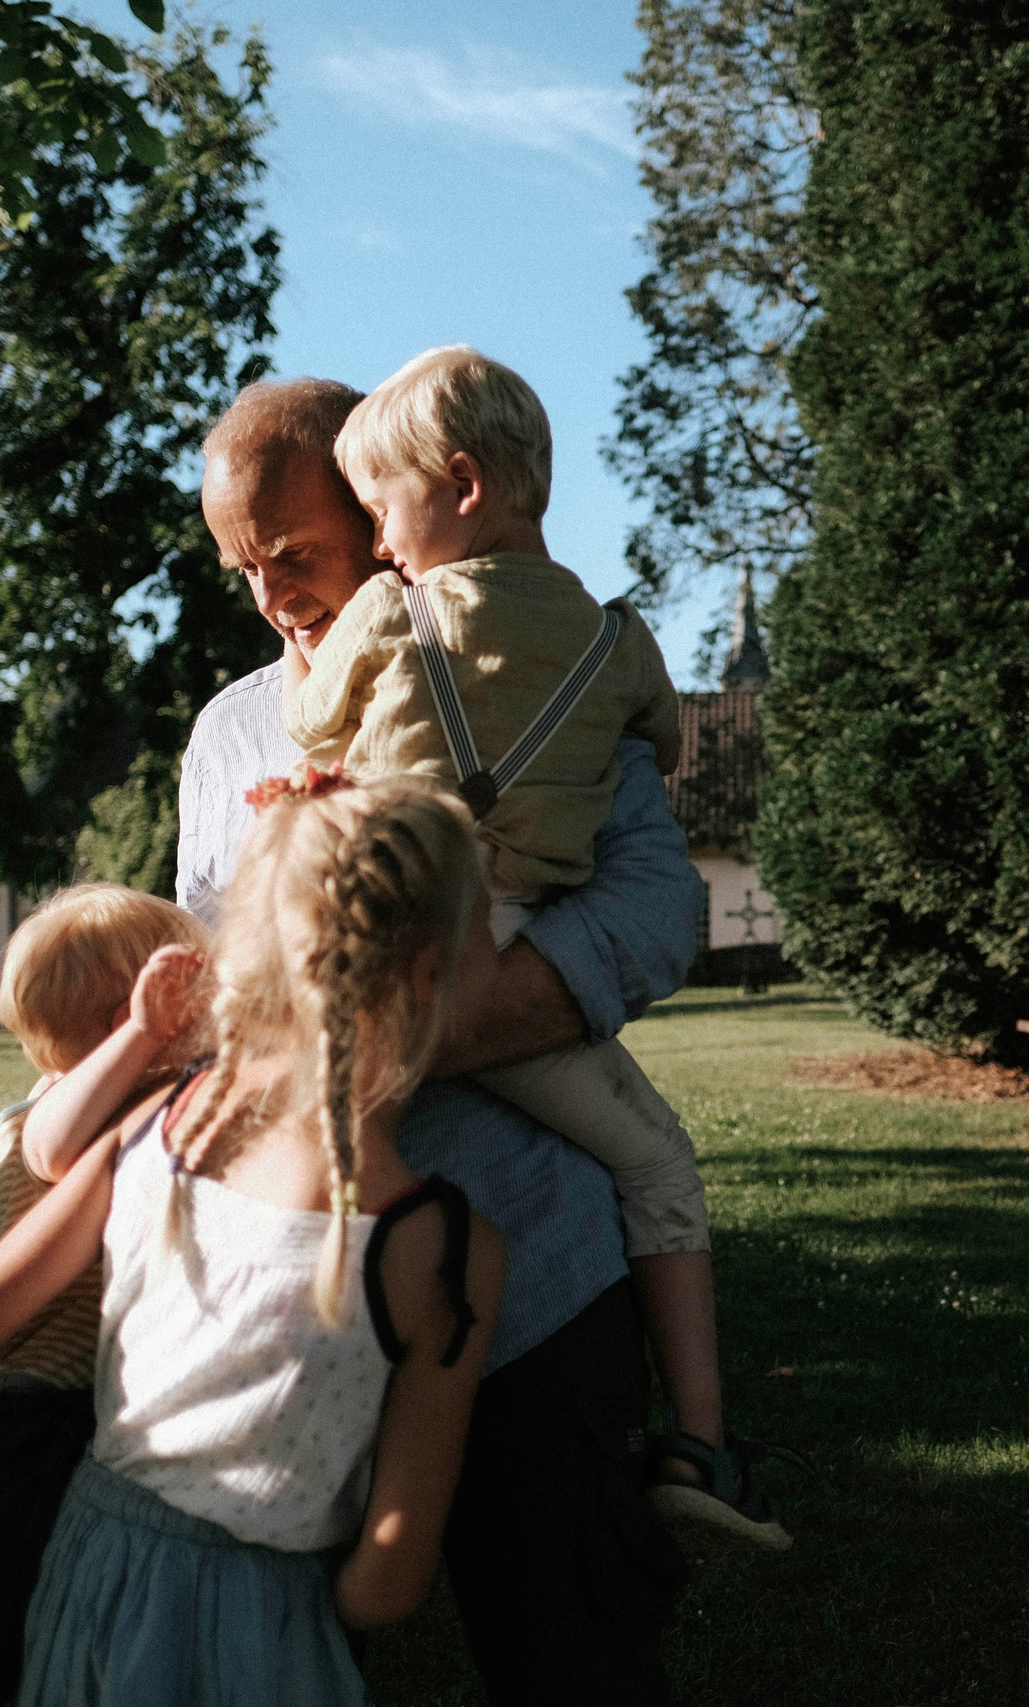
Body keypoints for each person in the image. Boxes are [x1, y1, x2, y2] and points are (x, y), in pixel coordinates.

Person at [174, 376, 731, 1701]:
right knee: (287, 1653)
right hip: (312, 1290)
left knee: (573, 1646)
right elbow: (209, 961)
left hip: (542, 1274)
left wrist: (427, 1031)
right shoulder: (229, 732)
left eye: (295, 553)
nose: (270, 597)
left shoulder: (544, 652)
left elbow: (657, 903)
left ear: (380, 518)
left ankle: (703, 1449)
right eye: (240, 569)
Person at [277, 345, 773, 1551]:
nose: (378, 541)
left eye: (381, 507)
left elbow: (305, 717)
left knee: (327, 1172)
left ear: (457, 484)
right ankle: (698, 1441)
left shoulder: (389, 609)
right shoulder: (615, 639)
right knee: (657, 1163)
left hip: (382, 932)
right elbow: (662, 749)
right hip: (507, 942)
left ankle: (300, 1411)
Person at [0, 773, 510, 1707]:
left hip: (87, 1581)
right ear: (430, 973)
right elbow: (385, 1585)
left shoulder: (158, 1127)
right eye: (489, 929)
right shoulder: (443, 1247)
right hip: (264, 1633)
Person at [0, 884, 210, 1707]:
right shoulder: (43, 1112)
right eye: (193, 994)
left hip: (109, 1413)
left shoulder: (163, 1100)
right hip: (33, 1417)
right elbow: (55, 1146)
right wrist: (148, 1036)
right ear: (128, 1019)